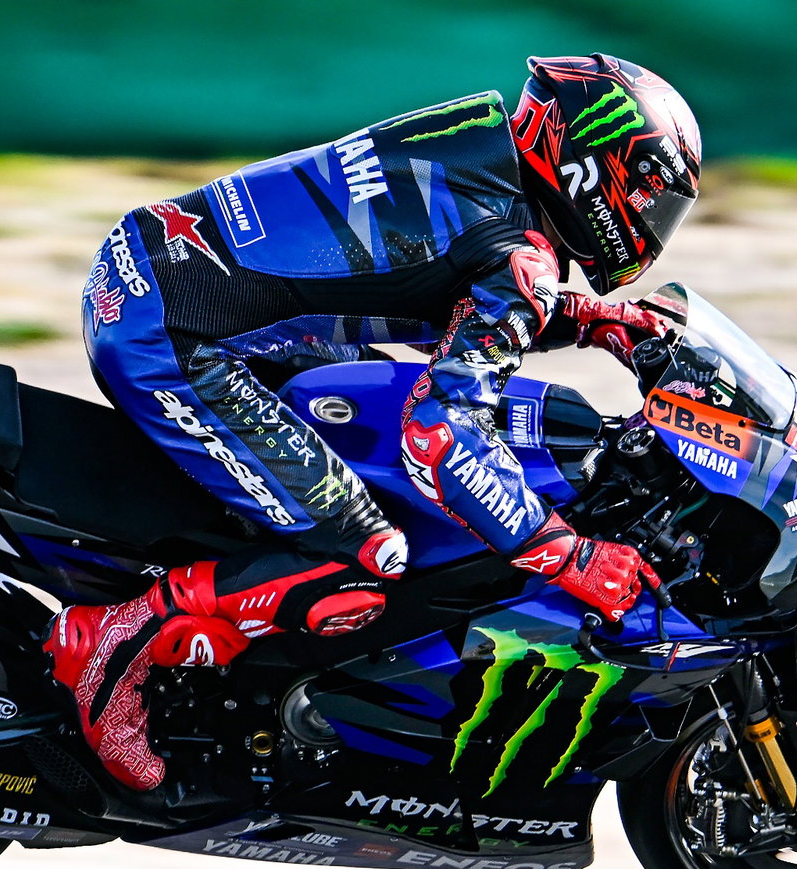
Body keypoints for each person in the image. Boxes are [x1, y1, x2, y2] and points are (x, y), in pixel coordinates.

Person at [45, 53, 703, 791]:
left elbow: (432, 282)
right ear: (593, 166)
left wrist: (592, 319)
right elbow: (442, 435)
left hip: (160, 268)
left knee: (364, 432)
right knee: (364, 557)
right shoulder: (520, 255)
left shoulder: (483, 139)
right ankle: (114, 647)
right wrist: (565, 554)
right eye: (649, 194)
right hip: (168, 331)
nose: (651, 219)